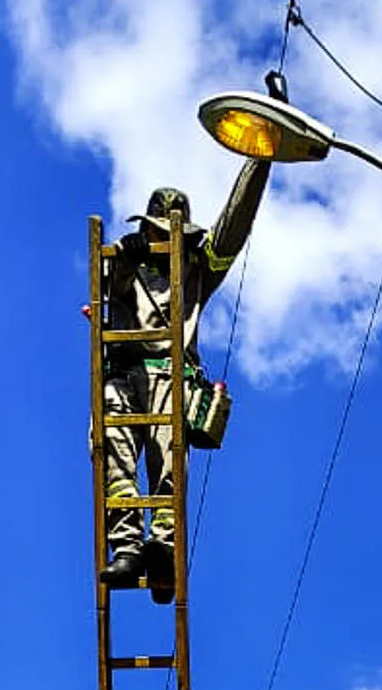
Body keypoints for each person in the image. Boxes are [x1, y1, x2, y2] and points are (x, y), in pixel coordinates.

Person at [99, 165, 270, 601]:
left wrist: (259, 159)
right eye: (158, 231)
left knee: (169, 460)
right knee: (111, 452)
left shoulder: (196, 264)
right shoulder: (124, 260)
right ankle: (128, 546)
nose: (165, 239)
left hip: (170, 372)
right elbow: (106, 283)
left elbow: (235, 224)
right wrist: (125, 254)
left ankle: (163, 546)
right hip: (121, 372)